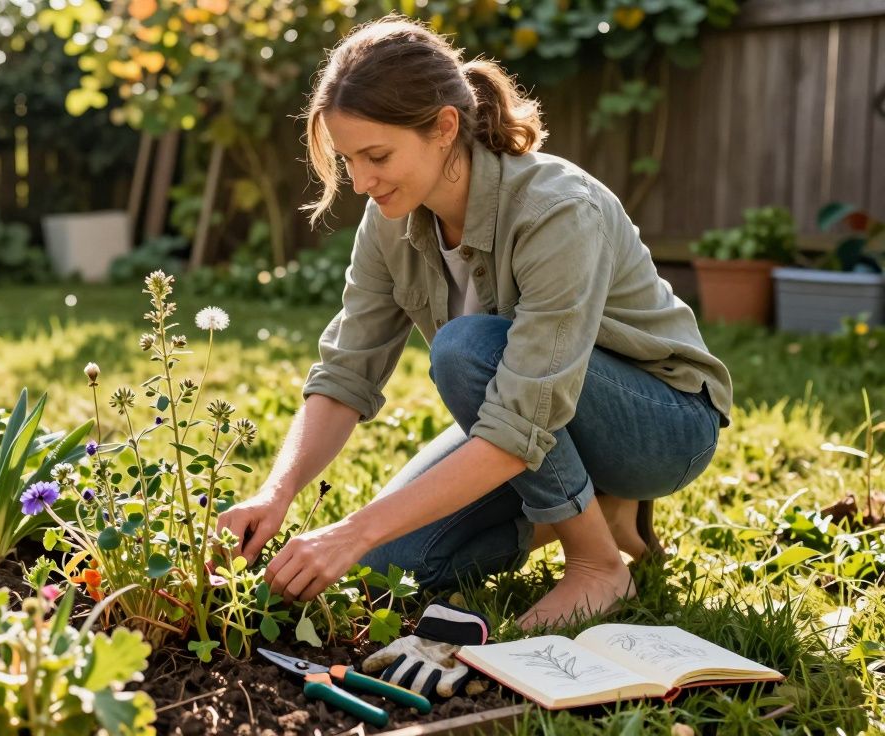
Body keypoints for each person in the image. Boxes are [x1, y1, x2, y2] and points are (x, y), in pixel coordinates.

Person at [216, 15, 731, 630]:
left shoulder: (557, 210)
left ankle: (596, 562)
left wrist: (348, 530)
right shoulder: (388, 220)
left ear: (444, 127)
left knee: (466, 350)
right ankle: (603, 511)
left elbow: (522, 415)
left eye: (377, 156)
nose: (361, 182)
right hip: (535, 416)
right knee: (389, 565)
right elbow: (345, 373)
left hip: (661, 426)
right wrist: (276, 494)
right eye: (349, 160)